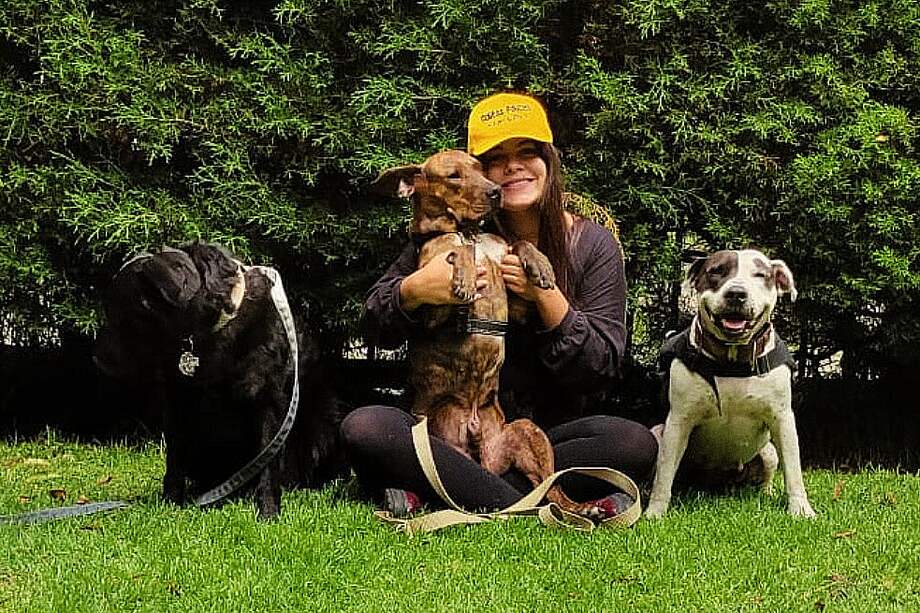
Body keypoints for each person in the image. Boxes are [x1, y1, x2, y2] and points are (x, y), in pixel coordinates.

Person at [341, 92, 658, 517]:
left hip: (538, 433)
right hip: (442, 426)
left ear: (549, 161)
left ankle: (447, 489)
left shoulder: (591, 244)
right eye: (495, 158)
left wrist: (547, 300)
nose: (512, 167)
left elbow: (602, 366)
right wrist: (413, 291)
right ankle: (525, 501)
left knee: (633, 443)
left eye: (528, 152)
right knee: (366, 427)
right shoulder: (448, 238)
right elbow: (374, 321)